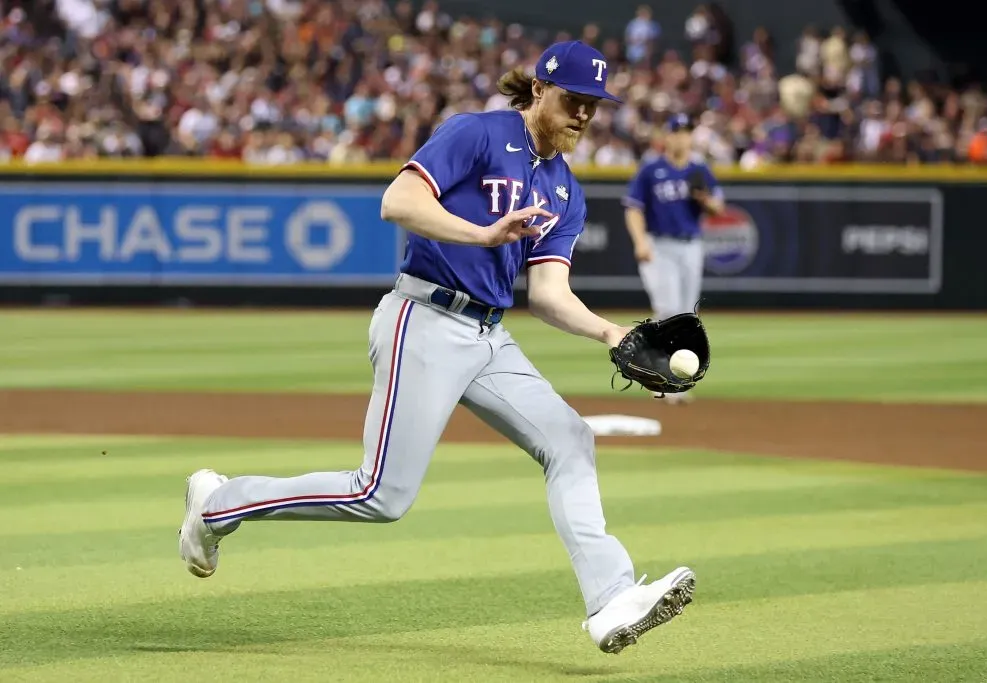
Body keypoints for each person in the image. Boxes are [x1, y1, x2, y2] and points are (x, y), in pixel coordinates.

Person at [178, 40, 696, 655]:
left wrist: (614, 333)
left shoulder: (565, 190)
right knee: (380, 495)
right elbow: (397, 200)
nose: (584, 114)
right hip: (422, 317)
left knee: (570, 440)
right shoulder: (476, 134)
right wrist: (482, 234)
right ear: (538, 91)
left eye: (593, 105)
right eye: (573, 100)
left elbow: (549, 295)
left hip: (488, 335)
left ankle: (610, 597)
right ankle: (217, 505)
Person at [622, 113, 724, 404]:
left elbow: (719, 207)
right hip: (659, 244)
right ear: (667, 136)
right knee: (667, 310)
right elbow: (633, 208)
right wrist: (640, 241)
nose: (682, 137)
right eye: (677, 131)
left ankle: (677, 378)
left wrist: (706, 201)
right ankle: (658, 377)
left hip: (691, 245)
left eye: (686, 131)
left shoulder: (699, 170)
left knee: (687, 316)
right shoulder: (651, 169)